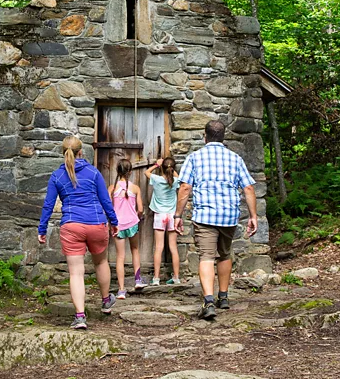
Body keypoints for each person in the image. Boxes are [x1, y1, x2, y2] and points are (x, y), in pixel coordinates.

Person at [174, 120, 257, 320]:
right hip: (228, 216)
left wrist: (177, 215)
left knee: (206, 257)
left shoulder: (195, 157)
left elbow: (185, 188)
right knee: (225, 254)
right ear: (223, 137)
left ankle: (209, 301)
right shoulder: (235, 158)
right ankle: (224, 296)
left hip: (205, 216)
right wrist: (253, 216)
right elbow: (248, 188)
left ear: (205, 136)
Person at [38, 136, 119, 330]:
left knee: (76, 272)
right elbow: (105, 200)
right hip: (96, 224)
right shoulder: (93, 172)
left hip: (71, 225)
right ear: (81, 152)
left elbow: (48, 205)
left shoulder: (57, 176)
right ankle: (106, 301)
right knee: (101, 262)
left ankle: (80, 316)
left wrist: (42, 228)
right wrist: (114, 221)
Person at [110, 159, 145, 298]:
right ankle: (137, 280)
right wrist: (137, 215)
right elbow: (141, 209)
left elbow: (108, 208)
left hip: (118, 225)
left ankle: (121, 289)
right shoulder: (135, 188)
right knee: (135, 250)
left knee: (120, 256)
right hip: (132, 223)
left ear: (117, 171)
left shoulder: (111, 188)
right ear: (130, 172)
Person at [145, 157, 181, 285]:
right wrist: (172, 168)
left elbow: (146, 173)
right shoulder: (175, 180)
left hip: (160, 215)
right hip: (172, 216)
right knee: (173, 247)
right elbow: (178, 178)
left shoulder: (157, 179)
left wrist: (156, 164)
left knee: (158, 247)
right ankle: (176, 277)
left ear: (162, 168)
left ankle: (156, 278)